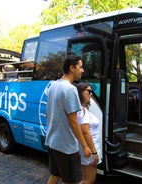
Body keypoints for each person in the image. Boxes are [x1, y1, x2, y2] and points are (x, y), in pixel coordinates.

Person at [45, 55, 92, 184]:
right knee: (73, 181)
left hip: (52, 142)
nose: (82, 70)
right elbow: (74, 122)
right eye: (80, 67)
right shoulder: (70, 89)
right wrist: (85, 146)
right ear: (72, 68)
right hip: (66, 146)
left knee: (55, 175)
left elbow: (47, 114)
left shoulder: (53, 86)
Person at [76, 82, 102, 184]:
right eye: (89, 91)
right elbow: (85, 132)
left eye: (92, 91)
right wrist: (94, 153)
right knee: (89, 180)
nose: (91, 94)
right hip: (90, 150)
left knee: (85, 178)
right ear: (80, 92)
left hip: (88, 149)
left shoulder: (82, 108)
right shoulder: (82, 110)